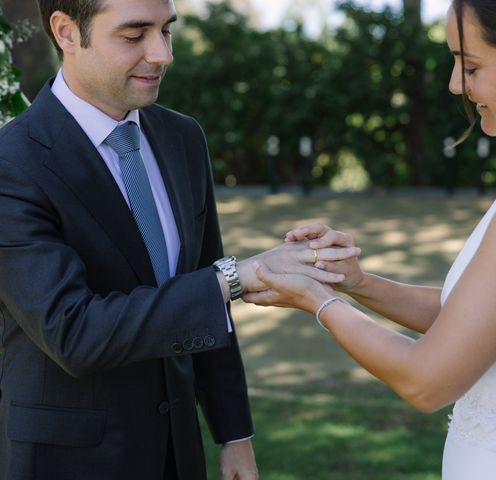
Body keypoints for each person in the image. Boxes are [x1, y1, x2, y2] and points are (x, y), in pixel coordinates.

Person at [244, 0, 496, 478]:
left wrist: (317, 301)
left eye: (470, 65)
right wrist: (356, 283)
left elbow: (426, 381)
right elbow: (475, 317)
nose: (456, 84)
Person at [0, 0, 357, 479]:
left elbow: (205, 300)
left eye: (167, 30)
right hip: (67, 461)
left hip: (178, 455)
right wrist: (232, 277)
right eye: (135, 35)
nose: (163, 53)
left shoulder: (183, 138)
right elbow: (75, 334)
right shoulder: (13, 163)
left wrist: (234, 436)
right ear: (66, 32)